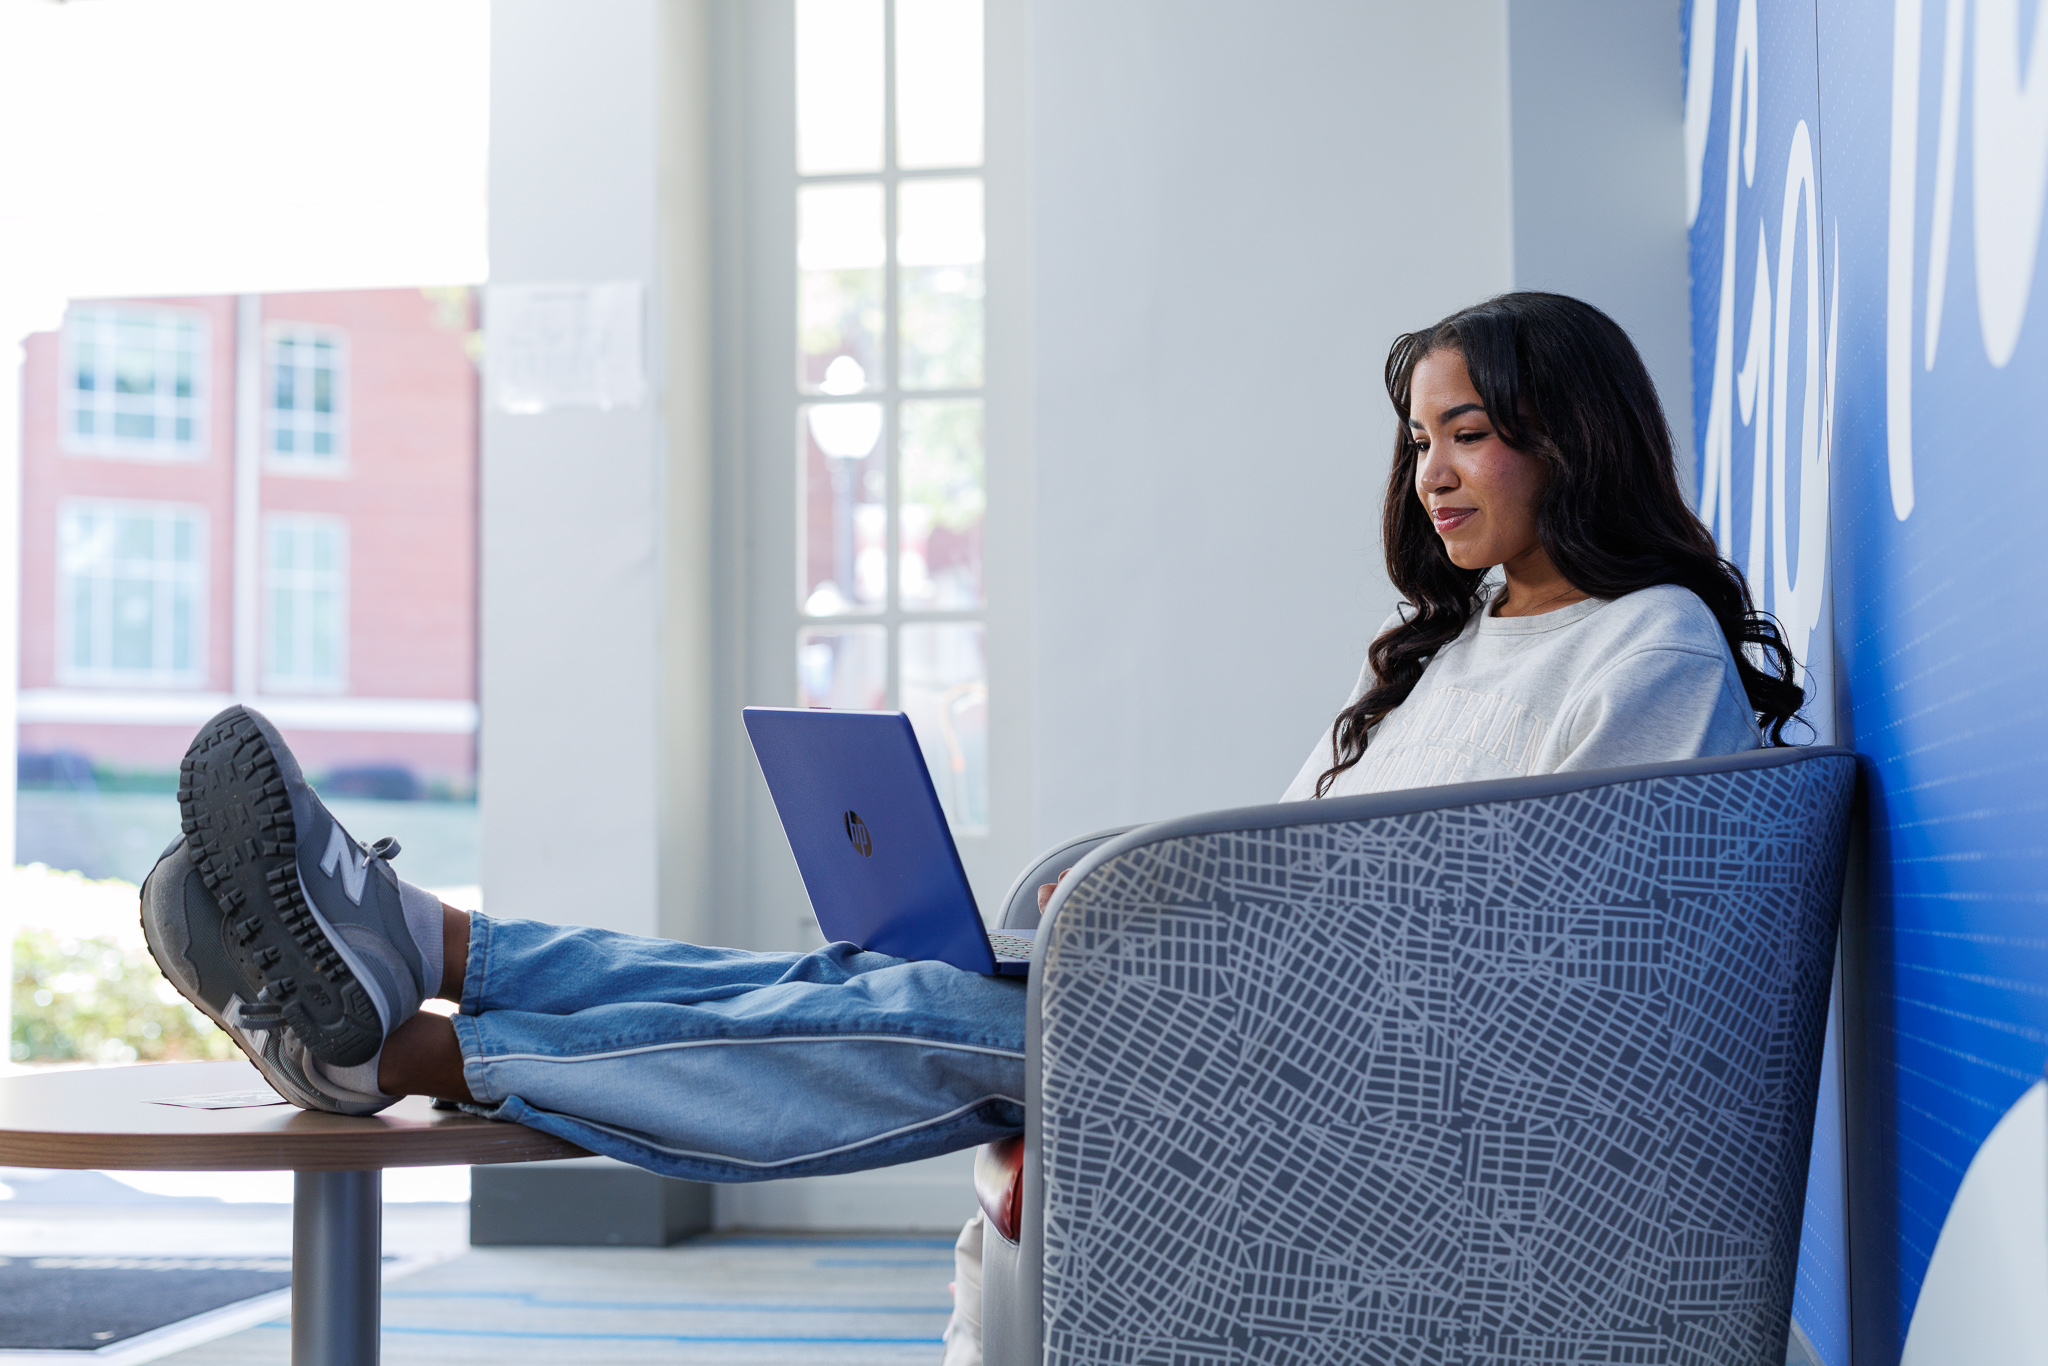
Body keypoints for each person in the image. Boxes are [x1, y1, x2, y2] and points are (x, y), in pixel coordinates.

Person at [140, 291, 1801, 1359]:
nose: (1434, 475)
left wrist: (1170, 922)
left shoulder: (1643, 644)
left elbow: (1558, 944)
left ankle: (413, 1044)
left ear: (1566, 433)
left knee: (914, 1011)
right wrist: (1126, 887)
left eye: (1468, 433)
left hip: (1384, 1078)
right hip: (1287, 1023)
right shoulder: (1467, 643)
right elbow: (1319, 849)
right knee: (855, 980)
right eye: (1419, 439)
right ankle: (425, 948)